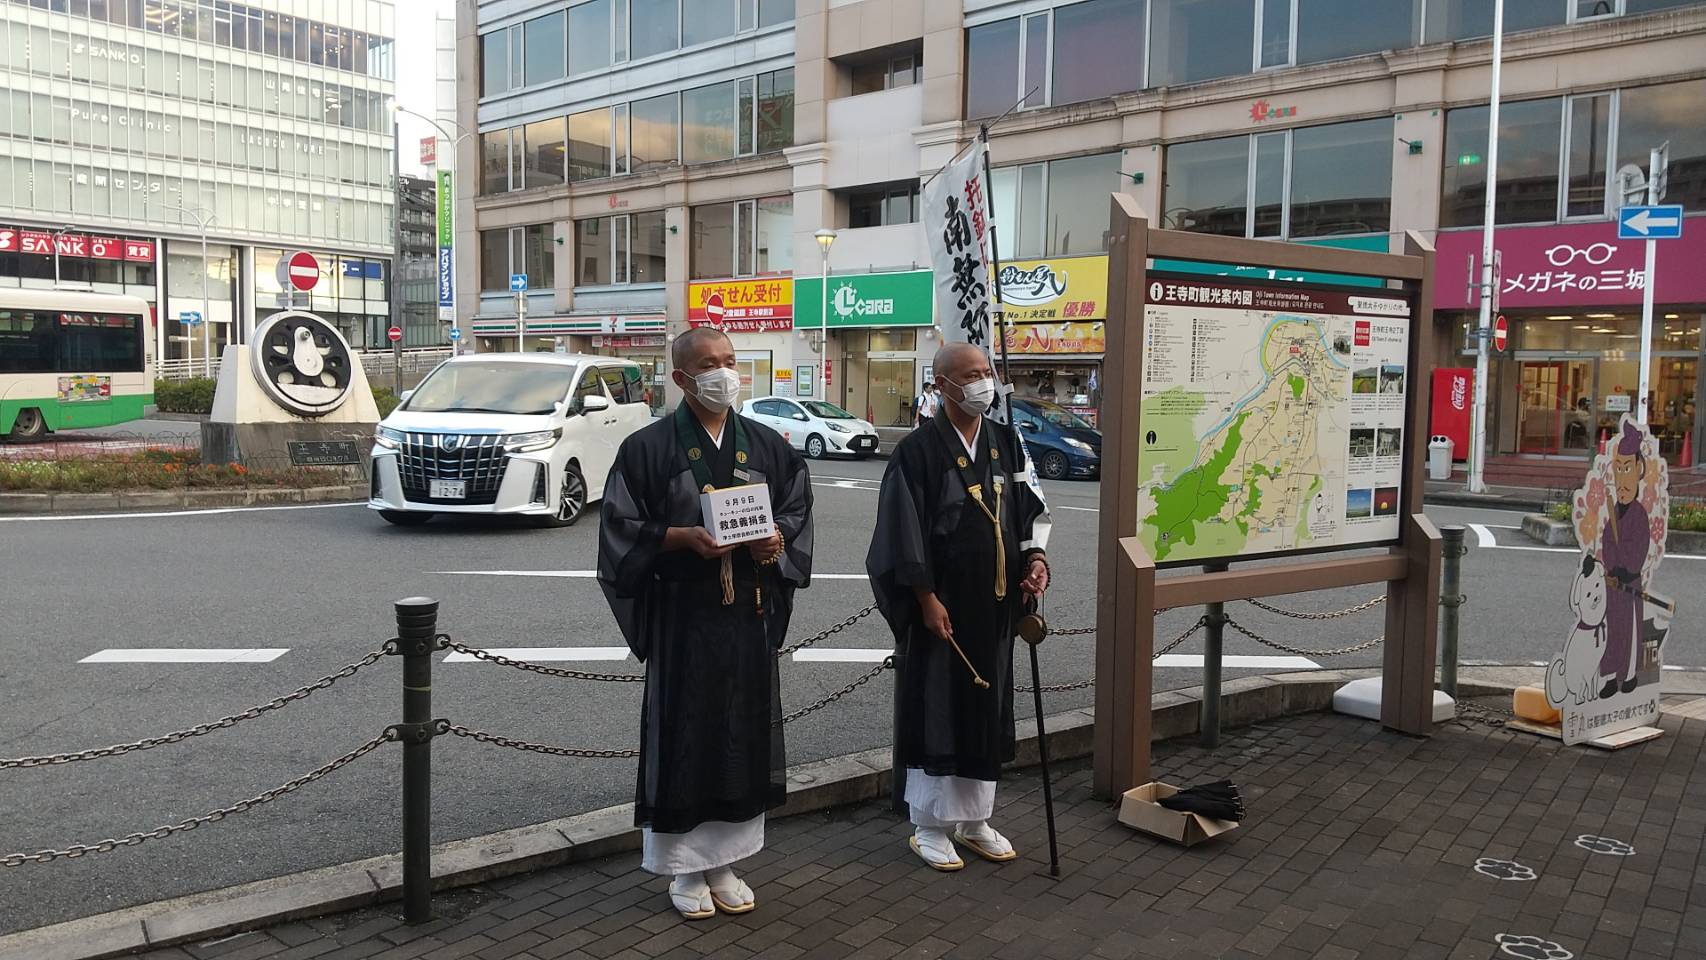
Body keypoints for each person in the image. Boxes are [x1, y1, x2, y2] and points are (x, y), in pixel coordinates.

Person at [597, 326, 815, 920]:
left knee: (740, 731)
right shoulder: (647, 448)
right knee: (685, 731)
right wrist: (679, 538)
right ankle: (682, 868)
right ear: (681, 378)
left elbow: (795, 509)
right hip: (683, 617)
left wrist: (776, 544)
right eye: (709, 364)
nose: (724, 373)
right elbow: (619, 529)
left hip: (746, 613)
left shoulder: (767, 444)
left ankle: (725, 859)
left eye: (729, 360)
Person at [867, 342, 1050, 872]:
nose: (982, 383)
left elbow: (1030, 505)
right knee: (939, 707)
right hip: (942, 606)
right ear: (941, 385)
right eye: (969, 375)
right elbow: (900, 533)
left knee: (985, 709)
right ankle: (928, 826)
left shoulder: (1005, 443)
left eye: (986, 373)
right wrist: (923, 598)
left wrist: (1034, 556)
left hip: (993, 604)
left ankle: (974, 819)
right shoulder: (918, 451)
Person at [1597, 420, 1650, 699]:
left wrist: (1625, 568)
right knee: (1611, 629)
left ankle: (1627, 676)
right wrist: (1610, 566)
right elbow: (1607, 543)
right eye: (1618, 469)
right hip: (1613, 584)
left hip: (1629, 585)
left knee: (1628, 630)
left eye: (1627, 468)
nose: (1622, 477)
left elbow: (1640, 548)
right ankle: (1608, 677)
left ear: (1639, 470)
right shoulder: (1613, 515)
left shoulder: (1639, 515)